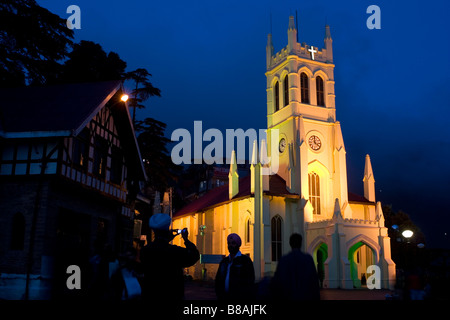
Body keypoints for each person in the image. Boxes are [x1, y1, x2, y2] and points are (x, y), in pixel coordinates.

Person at [140, 213, 200, 301]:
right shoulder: (174, 251)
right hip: (172, 295)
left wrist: (165, 239)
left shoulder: (145, 251)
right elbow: (194, 256)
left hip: (151, 294)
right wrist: (186, 239)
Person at [271, 233, 320, 300]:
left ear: (290, 243)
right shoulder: (308, 259)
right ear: (300, 244)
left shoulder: (284, 260)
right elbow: (314, 282)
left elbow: (277, 282)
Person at [215, 233, 255, 300]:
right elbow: (218, 280)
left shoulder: (245, 261)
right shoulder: (224, 262)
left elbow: (250, 280)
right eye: (229, 243)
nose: (230, 245)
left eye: (233, 243)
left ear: (238, 245)